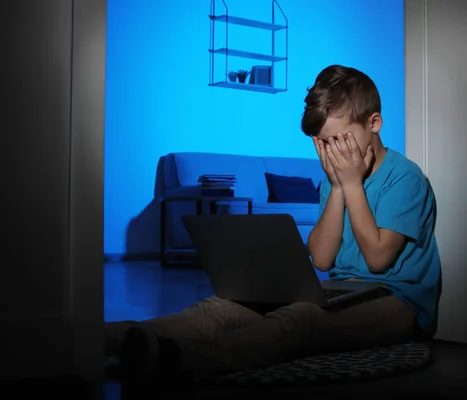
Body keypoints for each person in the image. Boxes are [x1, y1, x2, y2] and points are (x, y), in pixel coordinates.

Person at [105, 64, 442, 384]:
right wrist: (339, 186)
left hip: (397, 302)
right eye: (323, 143)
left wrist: (352, 185)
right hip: (344, 292)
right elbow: (323, 260)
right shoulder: (334, 181)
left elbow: (378, 259)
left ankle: (181, 360)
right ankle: (117, 338)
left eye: (339, 139)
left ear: (374, 123)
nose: (332, 153)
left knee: (300, 322)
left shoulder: (404, 177)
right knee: (224, 308)